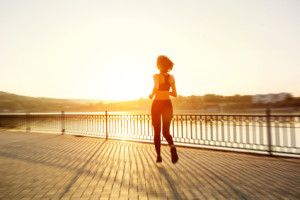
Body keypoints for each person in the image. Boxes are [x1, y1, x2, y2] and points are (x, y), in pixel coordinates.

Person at [149, 55, 179, 164]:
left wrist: (152, 95)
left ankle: (158, 156)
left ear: (159, 65)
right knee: (166, 131)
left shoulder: (156, 76)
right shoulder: (171, 78)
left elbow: (156, 87)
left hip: (157, 104)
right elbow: (175, 94)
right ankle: (172, 146)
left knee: (157, 132)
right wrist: (167, 92)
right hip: (168, 104)